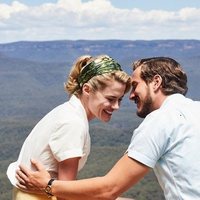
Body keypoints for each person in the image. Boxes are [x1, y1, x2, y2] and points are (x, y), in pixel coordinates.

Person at [16, 57, 200, 200]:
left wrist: (47, 185)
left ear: (156, 82)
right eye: (112, 98)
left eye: (135, 86)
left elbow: (109, 189)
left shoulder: (160, 121)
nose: (131, 96)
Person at [7, 54, 131, 200]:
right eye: (110, 99)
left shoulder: (67, 111)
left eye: (120, 99)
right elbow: (65, 193)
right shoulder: (73, 123)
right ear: (87, 89)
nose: (116, 106)